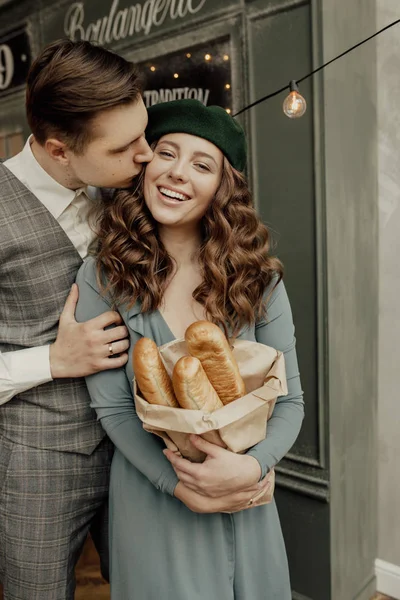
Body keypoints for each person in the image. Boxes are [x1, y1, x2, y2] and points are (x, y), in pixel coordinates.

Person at [75, 99, 304, 599]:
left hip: (247, 497)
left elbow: (289, 401)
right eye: (166, 153)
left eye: (202, 165)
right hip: (153, 497)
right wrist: (178, 486)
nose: (178, 173)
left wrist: (251, 467)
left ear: (222, 187)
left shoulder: (257, 280)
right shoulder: (103, 276)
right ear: (144, 165)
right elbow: (113, 408)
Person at [0, 38, 153, 600]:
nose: (145, 154)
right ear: (60, 149)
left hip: (139, 448)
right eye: (124, 147)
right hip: (37, 463)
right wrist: (53, 359)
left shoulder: (125, 193)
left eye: (144, 131)